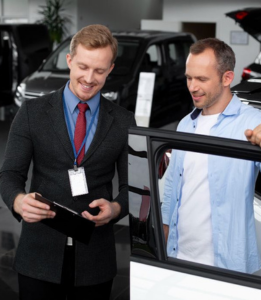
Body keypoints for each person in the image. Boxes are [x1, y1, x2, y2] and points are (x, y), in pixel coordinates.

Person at [0, 24, 136, 299]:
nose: (89, 78)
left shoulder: (123, 121)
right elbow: (9, 175)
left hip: (96, 259)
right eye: (83, 67)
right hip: (39, 255)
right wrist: (18, 201)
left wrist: (117, 207)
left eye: (99, 70)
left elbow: (132, 187)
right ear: (69, 61)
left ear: (110, 68)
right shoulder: (32, 112)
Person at [161, 38, 261, 274]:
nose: (192, 87)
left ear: (226, 78)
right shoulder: (185, 124)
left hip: (224, 268)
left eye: (202, 79)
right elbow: (173, 188)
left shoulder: (253, 122)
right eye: (189, 78)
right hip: (177, 257)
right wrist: (161, 247)